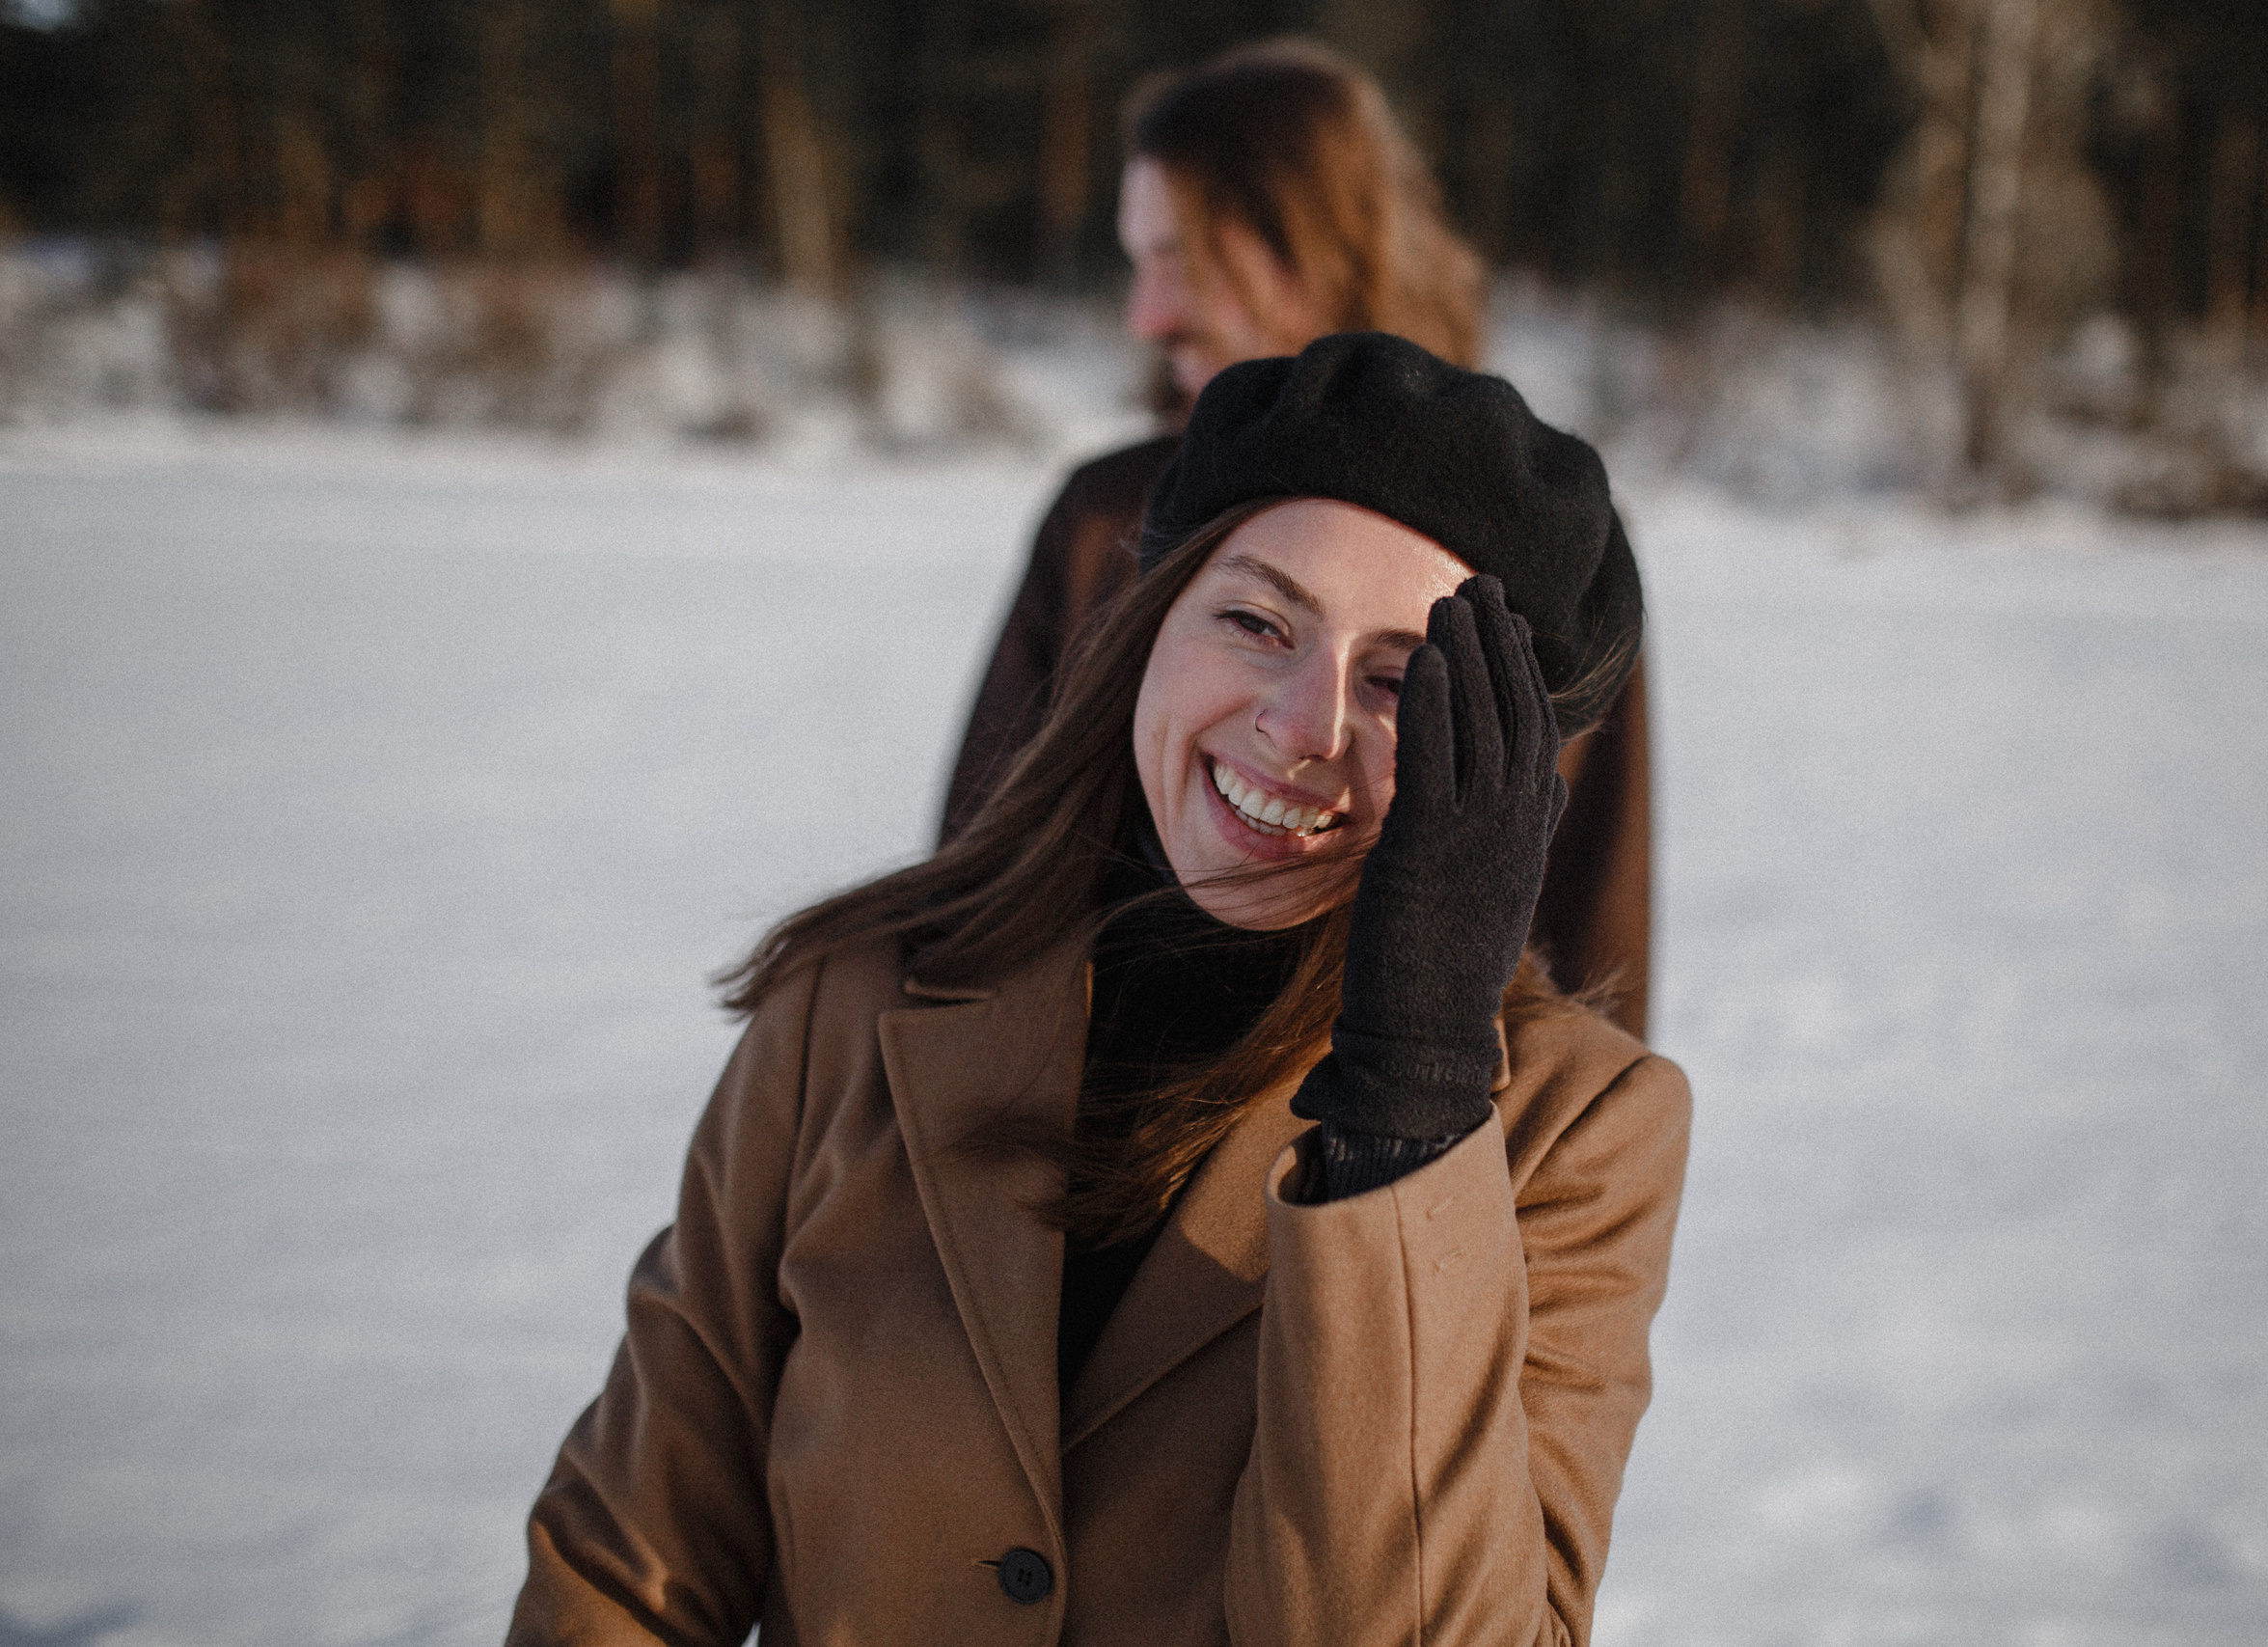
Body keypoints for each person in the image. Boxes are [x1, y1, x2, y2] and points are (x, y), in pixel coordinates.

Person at [508, 333, 1691, 1646]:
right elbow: (623, 1571)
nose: (1300, 724)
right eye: (1254, 620)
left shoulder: (1580, 1134)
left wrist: (1410, 1100)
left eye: (1403, 679)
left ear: (1507, 768)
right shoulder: (850, 1004)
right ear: (1150, 625)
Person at [943, 37, 1659, 1035]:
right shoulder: (1106, 515)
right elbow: (977, 872)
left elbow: (1589, 935)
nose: (1147, 315)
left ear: (1311, 238)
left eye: (1180, 260)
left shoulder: (1549, 552)